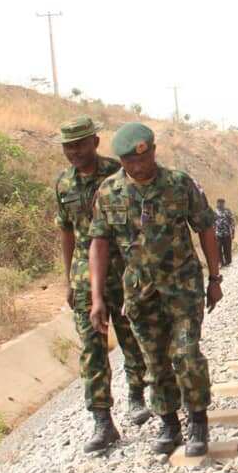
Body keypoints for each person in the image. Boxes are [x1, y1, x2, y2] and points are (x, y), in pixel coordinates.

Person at [88, 122, 223, 457]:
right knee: (154, 361)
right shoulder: (109, 192)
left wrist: (215, 279)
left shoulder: (179, 184)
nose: (138, 166)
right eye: (130, 161)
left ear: (152, 151)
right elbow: (99, 243)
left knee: (186, 354)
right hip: (139, 293)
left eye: (143, 158)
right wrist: (96, 297)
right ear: (121, 161)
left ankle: (198, 420)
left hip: (183, 287)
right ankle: (169, 423)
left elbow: (206, 227)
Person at [54, 116, 150, 453]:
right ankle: (101, 420)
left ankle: (137, 395)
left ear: (95, 142)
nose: (74, 152)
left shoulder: (118, 173)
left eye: (80, 145)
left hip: (122, 272)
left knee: (132, 337)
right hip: (84, 276)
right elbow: (66, 231)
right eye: (68, 147)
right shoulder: (63, 184)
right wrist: (68, 279)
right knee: (91, 349)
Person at [214, 198, 236, 267]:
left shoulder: (227, 211)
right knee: (218, 249)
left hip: (226, 233)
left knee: (227, 248)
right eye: (219, 203)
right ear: (217, 203)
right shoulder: (214, 212)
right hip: (218, 234)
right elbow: (212, 224)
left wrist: (233, 231)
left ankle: (228, 262)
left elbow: (232, 221)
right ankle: (221, 263)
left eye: (222, 203)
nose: (221, 204)